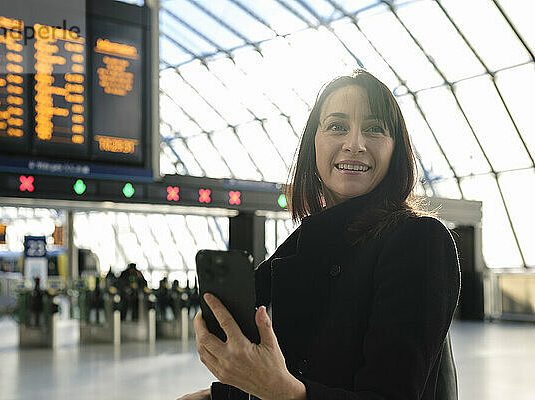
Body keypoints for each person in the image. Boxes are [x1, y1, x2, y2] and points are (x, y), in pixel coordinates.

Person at [178, 69, 461, 400]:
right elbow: (292, 366)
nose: (354, 144)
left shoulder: (418, 240)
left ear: (395, 150)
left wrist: (281, 391)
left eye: (374, 129)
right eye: (337, 126)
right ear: (314, 142)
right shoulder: (307, 240)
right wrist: (222, 395)